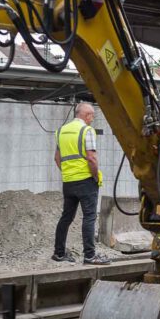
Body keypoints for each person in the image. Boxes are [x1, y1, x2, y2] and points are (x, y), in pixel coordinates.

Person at [52, 103, 110, 265]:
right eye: (92, 116)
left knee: (66, 217)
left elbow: (57, 158)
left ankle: (59, 253)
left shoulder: (61, 131)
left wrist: (68, 173)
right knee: (89, 217)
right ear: (87, 115)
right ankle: (90, 255)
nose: (92, 120)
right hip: (86, 180)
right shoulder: (87, 131)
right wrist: (95, 176)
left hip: (68, 181)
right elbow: (91, 158)